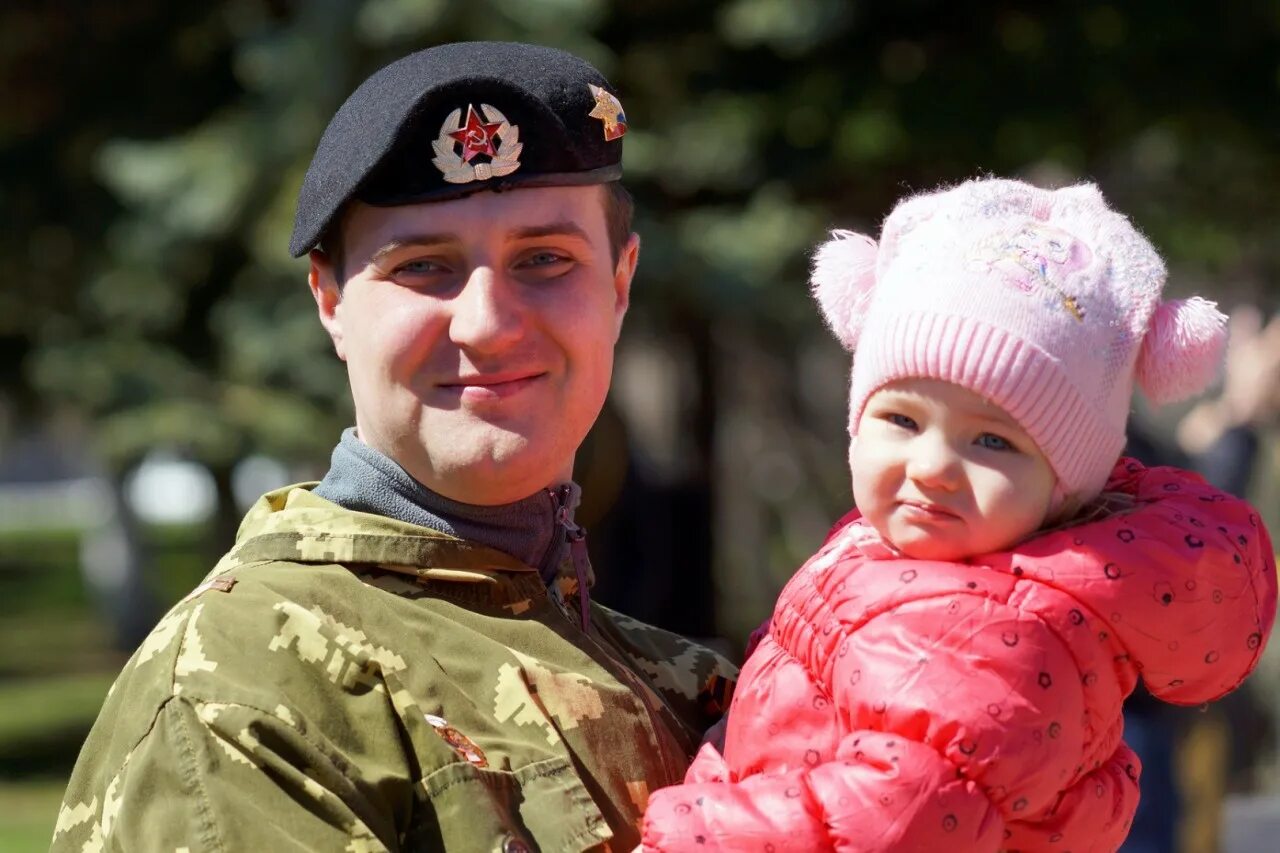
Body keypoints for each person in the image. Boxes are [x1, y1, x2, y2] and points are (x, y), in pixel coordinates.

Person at [53, 41, 736, 852]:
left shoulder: (690, 689)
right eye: (424, 267)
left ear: (618, 285)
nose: (486, 322)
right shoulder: (246, 690)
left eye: (545, 259)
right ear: (331, 300)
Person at [641, 178, 1278, 851]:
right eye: (901, 418)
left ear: (1065, 486)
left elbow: (890, 816)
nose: (932, 464)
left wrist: (688, 830)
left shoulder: (993, 633)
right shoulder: (901, 559)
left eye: (993, 441)